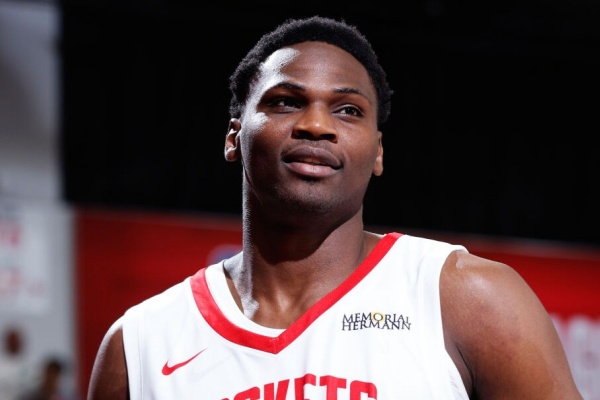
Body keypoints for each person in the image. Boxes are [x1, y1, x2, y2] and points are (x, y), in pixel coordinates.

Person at [87, 16, 583, 399]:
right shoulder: (140, 346)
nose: (317, 125)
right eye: (286, 101)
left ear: (379, 151)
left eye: (348, 110)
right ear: (234, 137)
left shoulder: (468, 298)